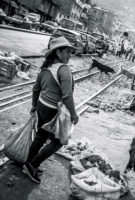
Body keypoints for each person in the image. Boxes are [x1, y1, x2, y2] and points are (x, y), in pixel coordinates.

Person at [23, 37, 79, 184]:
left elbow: (36, 89)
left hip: (42, 106)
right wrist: (73, 114)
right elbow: (67, 96)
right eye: (67, 52)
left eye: (71, 52)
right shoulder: (63, 69)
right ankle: (32, 164)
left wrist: (34, 106)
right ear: (58, 52)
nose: (70, 55)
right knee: (58, 141)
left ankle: (28, 163)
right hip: (54, 111)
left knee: (41, 136)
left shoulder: (45, 68)